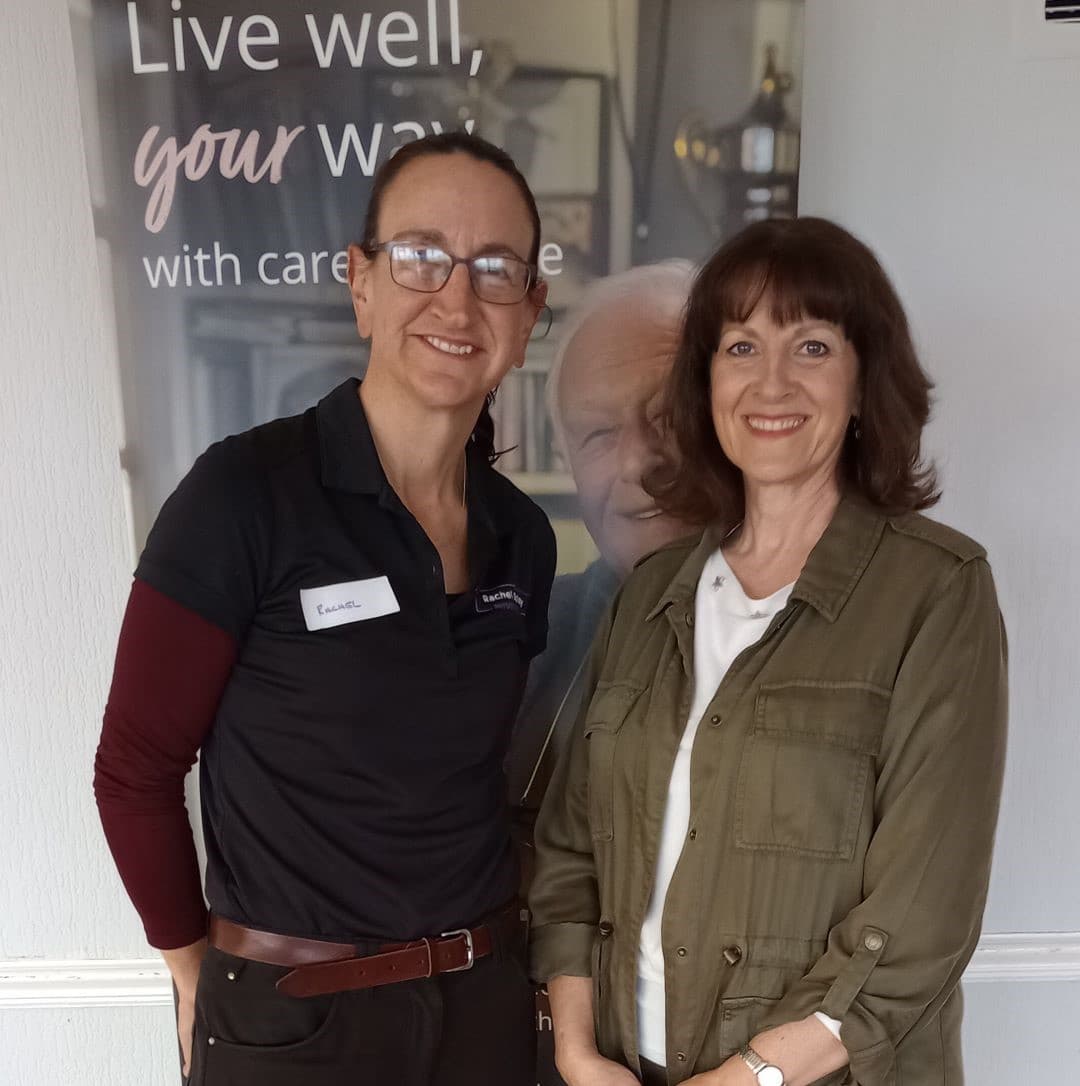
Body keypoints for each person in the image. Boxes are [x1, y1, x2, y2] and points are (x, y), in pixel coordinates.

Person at [94, 131, 556, 1086]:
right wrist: (192, 974)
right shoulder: (242, 495)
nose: (457, 299)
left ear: (530, 310)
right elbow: (135, 768)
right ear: (361, 283)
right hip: (294, 1027)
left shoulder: (524, 537)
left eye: (495, 269)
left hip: (486, 1013)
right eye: (422, 257)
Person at [529, 217, 1007, 1086]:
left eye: (813, 346)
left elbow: (917, 924)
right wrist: (574, 1050)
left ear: (865, 382)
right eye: (741, 346)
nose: (771, 381)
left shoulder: (936, 590)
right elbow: (571, 854)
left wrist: (743, 1078)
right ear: (706, 382)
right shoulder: (651, 593)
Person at [506, 262, 698, 818]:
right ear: (568, 467)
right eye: (598, 434)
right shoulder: (519, 644)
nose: (639, 463)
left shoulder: (848, 634)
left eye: (671, 417)